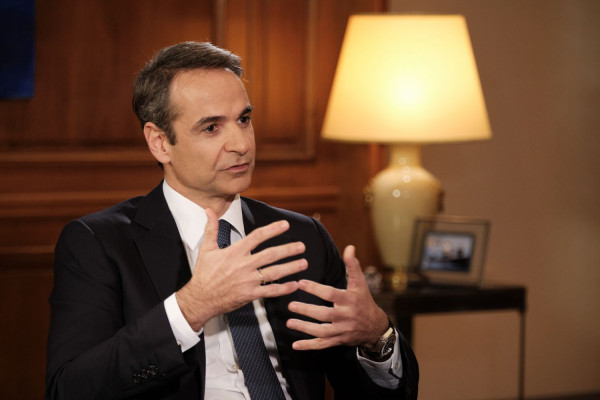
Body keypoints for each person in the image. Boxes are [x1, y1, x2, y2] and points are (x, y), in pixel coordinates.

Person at [46, 41, 418, 400]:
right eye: (211, 127)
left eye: (244, 119)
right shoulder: (99, 243)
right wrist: (190, 308)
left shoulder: (303, 236)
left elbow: (372, 392)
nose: (241, 144)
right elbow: (70, 389)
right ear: (159, 142)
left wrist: (378, 337)